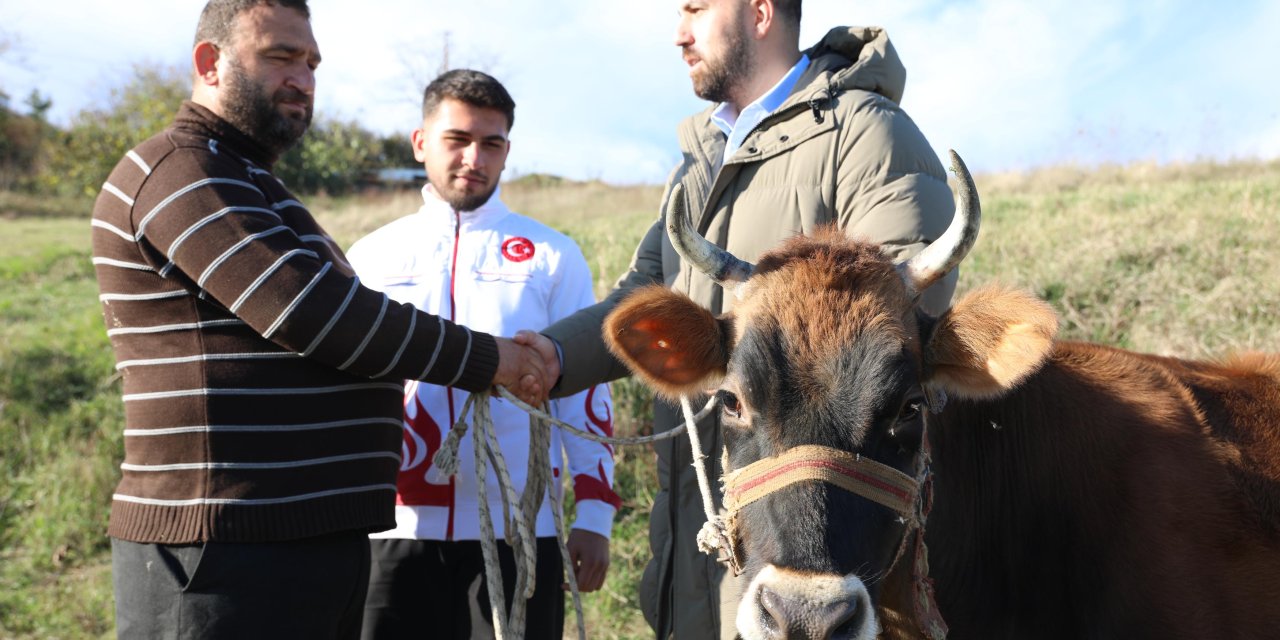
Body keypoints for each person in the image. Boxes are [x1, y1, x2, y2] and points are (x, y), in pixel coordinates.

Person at [89, 2, 548, 638]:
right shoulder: (179, 170)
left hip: (295, 543)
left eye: (311, 63)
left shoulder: (253, 185)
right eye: (280, 56)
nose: (302, 78)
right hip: (218, 550)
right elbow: (311, 312)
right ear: (209, 63)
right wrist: (491, 360)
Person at [521, 1, 959, 637]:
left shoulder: (865, 132)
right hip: (701, 529)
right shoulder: (701, 159)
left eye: (696, 8)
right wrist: (549, 356)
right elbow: (648, 291)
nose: (679, 33)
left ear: (759, 11)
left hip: (821, 550)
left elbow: (895, 323)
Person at [346, 69, 618, 640]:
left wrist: (595, 514)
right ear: (421, 142)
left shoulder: (551, 255)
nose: (474, 158)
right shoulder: (370, 256)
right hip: (391, 531)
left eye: (491, 143)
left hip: (521, 532)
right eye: (457, 139)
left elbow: (585, 388)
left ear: (507, 152)